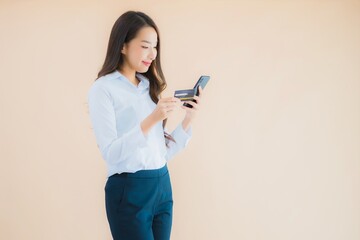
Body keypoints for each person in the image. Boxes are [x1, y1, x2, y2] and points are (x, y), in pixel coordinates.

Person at [87, 11, 203, 240]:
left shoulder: (148, 86)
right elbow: (111, 153)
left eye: (155, 47)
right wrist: (153, 118)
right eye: (145, 46)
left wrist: (189, 119)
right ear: (122, 45)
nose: (153, 54)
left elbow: (161, 152)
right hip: (129, 190)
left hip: (162, 185)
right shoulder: (103, 89)